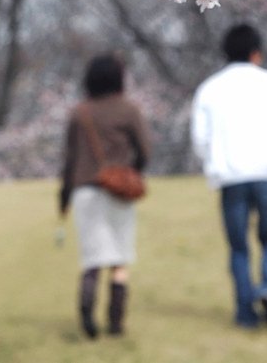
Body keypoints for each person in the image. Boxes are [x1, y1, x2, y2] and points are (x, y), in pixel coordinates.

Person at [191, 23, 267, 329]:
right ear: (257, 53)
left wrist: (213, 164)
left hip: (230, 176)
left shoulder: (210, 88)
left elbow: (200, 139)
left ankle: (245, 312)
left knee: (238, 246)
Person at [59, 53, 152, 339]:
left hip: (86, 191)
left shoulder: (79, 113)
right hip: (119, 193)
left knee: (92, 258)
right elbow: (145, 151)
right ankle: (115, 322)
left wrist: (63, 198)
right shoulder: (129, 110)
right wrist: (129, 174)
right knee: (119, 257)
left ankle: (87, 313)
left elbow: (69, 159)